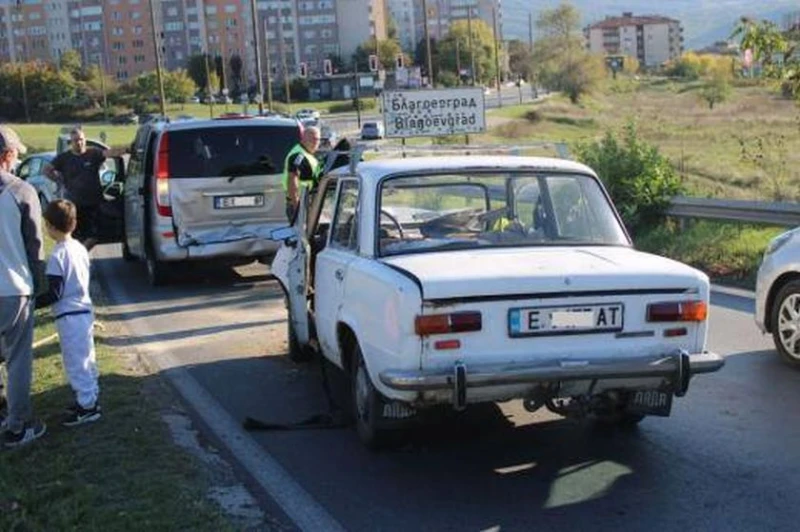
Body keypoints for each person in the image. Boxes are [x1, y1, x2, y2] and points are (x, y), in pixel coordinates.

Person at [0, 125, 47, 448]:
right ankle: (18, 425)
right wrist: (42, 285)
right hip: (13, 287)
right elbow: (35, 246)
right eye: (16, 153)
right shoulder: (20, 191)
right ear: (7, 156)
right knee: (17, 359)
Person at [36, 199, 101, 426]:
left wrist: (31, 304)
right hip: (84, 311)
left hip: (69, 316)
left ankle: (87, 407)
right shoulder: (80, 248)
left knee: (76, 362)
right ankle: (90, 398)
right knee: (87, 358)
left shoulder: (57, 256)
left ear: (51, 227)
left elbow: (55, 292)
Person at [43, 127, 126, 251]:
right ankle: (76, 257)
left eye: (81, 139)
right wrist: (59, 180)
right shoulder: (64, 158)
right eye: (76, 140)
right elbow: (46, 170)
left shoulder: (93, 154)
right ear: (71, 143)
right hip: (74, 205)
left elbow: (110, 153)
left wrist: (128, 149)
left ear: (85, 140)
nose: (79, 143)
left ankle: (80, 254)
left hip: (94, 204)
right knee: (74, 236)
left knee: (95, 235)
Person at [283, 126, 321, 221]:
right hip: (300, 204)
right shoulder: (298, 155)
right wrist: (297, 206)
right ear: (303, 139)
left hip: (307, 203)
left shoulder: (307, 154)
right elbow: (292, 180)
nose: (315, 142)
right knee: (302, 235)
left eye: (317, 139)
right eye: (312, 139)